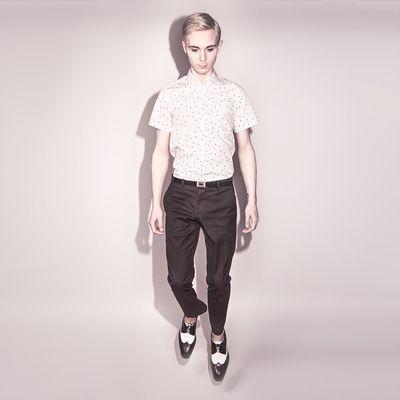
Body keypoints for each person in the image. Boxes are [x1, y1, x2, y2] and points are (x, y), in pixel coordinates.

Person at [148, 12, 259, 381]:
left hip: (220, 196)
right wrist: (155, 202)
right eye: (195, 49)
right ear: (183, 47)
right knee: (178, 277)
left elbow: (245, 149)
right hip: (180, 193)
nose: (202, 57)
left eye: (209, 48)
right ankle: (191, 313)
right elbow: (160, 152)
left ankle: (218, 336)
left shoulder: (233, 94)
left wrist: (252, 199)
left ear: (219, 46)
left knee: (218, 278)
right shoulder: (169, 96)